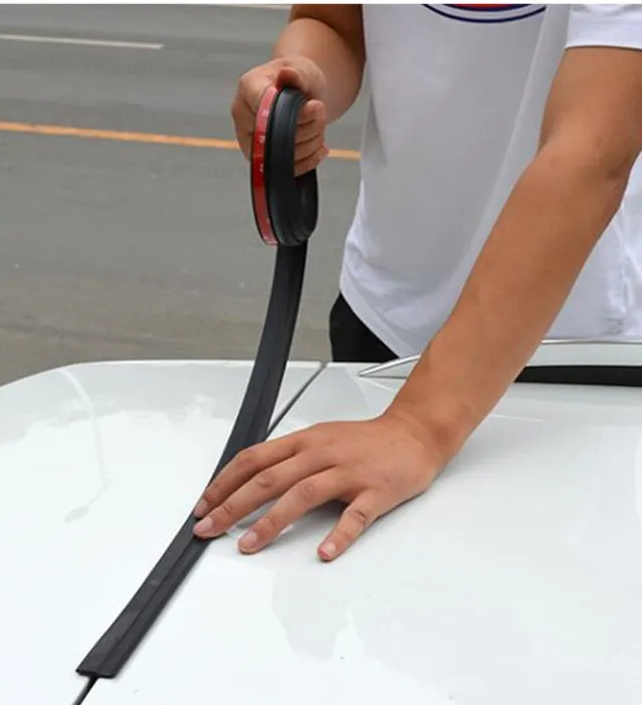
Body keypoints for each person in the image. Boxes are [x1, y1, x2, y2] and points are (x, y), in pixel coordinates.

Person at [193, 3, 642, 562]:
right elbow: (333, 22)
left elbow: (590, 155)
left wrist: (418, 425)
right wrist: (301, 78)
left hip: (578, 350)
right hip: (385, 316)